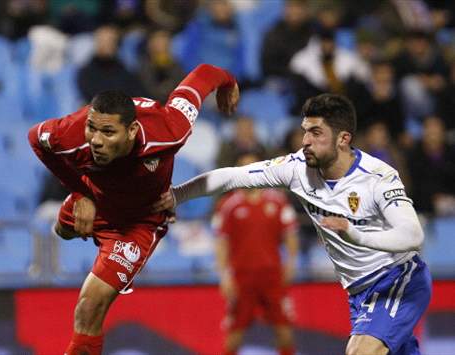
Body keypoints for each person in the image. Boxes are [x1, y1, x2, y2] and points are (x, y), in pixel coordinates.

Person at [155, 93, 431, 355]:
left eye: (316, 133)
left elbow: (412, 235)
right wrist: (177, 195)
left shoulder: (378, 177)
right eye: (304, 131)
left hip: (397, 279)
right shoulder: (297, 168)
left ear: (343, 139)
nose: (305, 141)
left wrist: (355, 235)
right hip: (358, 292)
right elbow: (230, 177)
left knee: (361, 351)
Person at [28, 63, 239, 355]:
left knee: (90, 307)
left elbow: (203, 73)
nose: (97, 141)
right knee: (62, 231)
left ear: (132, 130)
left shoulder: (170, 128)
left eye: (108, 132)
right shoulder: (72, 133)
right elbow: (35, 139)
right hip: (95, 200)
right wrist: (81, 193)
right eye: (92, 128)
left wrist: (228, 81)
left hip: (140, 222)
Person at [214, 152, 299, 355]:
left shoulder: (277, 201)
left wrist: (291, 262)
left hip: (272, 275)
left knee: (284, 331)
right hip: (242, 277)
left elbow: (290, 234)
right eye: (243, 168)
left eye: (251, 167)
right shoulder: (228, 205)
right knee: (235, 334)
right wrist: (224, 276)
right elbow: (221, 243)